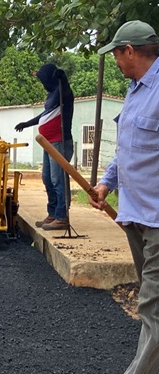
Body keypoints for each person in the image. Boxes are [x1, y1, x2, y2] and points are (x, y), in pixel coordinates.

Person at [93, 20, 159, 374]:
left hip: (158, 221)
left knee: (153, 306)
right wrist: (107, 183)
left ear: (129, 51)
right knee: (151, 307)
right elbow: (128, 150)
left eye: (117, 54)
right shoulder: (136, 91)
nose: (116, 62)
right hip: (137, 217)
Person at [15, 63, 74, 231]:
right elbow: (45, 115)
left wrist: (63, 78)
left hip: (60, 142)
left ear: (50, 78)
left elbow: (66, 91)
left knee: (58, 179)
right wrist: (27, 123)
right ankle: (53, 213)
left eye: (43, 80)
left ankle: (62, 217)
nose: (42, 84)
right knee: (47, 178)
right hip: (48, 143)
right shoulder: (51, 95)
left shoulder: (63, 92)